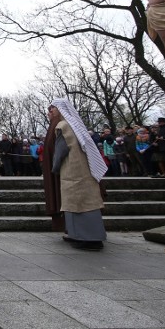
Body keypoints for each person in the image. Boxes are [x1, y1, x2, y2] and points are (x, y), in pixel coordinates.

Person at [47, 98, 108, 250]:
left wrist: (54, 167)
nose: (51, 111)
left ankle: (87, 239)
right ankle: (82, 236)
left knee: (77, 204)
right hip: (85, 171)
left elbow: (60, 150)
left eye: (53, 108)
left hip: (72, 170)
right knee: (87, 203)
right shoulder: (76, 126)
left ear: (60, 109)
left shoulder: (63, 125)